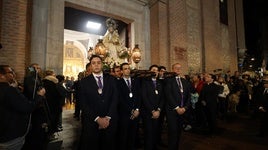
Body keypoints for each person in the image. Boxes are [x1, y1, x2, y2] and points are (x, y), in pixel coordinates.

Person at [0, 65, 45, 150]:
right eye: (10, 72)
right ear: (1, 75)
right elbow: (27, 107)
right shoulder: (9, 90)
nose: (13, 74)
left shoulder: (10, 89)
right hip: (10, 135)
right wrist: (39, 96)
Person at [78, 55, 119, 150]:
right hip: (92, 122)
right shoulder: (83, 82)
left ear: (102, 65)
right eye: (93, 63)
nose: (96, 65)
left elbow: (115, 98)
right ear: (90, 66)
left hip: (110, 121)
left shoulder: (111, 79)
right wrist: (97, 119)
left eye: (98, 63)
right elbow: (83, 103)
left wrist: (108, 117)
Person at [164, 63, 191, 150]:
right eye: (176, 68)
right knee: (173, 131)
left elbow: (188, 96)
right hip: (172, 111)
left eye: (179, 68)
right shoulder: (168, 81)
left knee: (179, 131)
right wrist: (177, 108)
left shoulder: (185, 81)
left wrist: (185, 108)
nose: (178, 70)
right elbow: (168, 95)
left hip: (182, 110)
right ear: (172, 70)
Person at [117, 63, 141, 150]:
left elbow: (139, 96)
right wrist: (131, 111)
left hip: (136, 113)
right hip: (124, 114)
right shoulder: (118, 83)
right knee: (123, 137)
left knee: (133, 136)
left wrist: (137, 109)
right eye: (125, 69)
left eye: (128, 68)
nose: (127, 70)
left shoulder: (136, 81)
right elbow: (120, 99)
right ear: (122, 71)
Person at [141, 65, 164, 150]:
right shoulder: (145, 82)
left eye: (157, 70)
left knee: (155, 131)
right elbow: (144, 97)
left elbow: (162, 98)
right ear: (149, 71)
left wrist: (158, 110)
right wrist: (152, 111)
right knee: (148, 132)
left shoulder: (160, 83)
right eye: (153, 70)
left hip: (157, 112)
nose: (155, 72)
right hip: (148, 112)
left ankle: (154, 147)